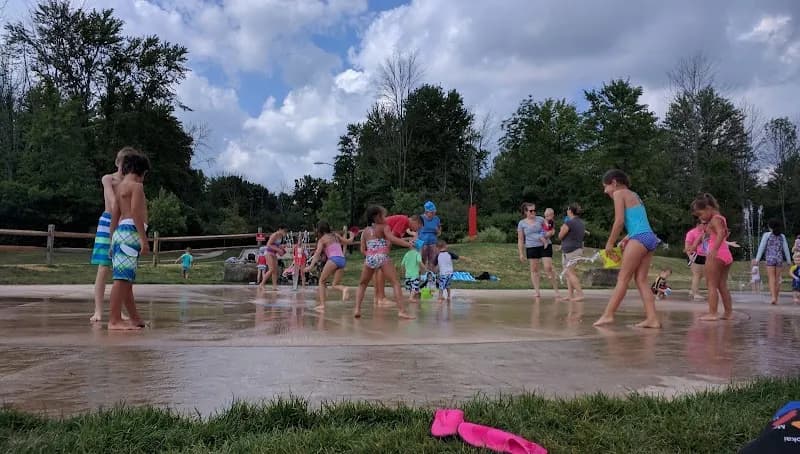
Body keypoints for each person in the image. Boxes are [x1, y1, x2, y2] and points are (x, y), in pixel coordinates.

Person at [593, 170, 661, 328]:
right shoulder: (634, 195)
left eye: (605, 186)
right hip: (649, 237)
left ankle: (608, 315)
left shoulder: (619, 193)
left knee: (623, 279)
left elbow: (619, 221)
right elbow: (639, 221)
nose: (605, 191)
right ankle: (652, 319)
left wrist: (610, 243)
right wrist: (626, 238)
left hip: (639, 238)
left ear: (614, 183)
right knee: (641, 280)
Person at [90, 147, 136, 323]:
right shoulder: (108, 179)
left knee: (121, 270)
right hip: (108, 222)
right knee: (104, 267)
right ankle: (98, 310)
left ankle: (118, 310)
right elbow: (112, 199)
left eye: (129, 164)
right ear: (117, 162)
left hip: (124, 223)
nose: (126, 167)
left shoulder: (131, 183)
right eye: (124, 163)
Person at [108, 150, 150, 330]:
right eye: (145, 174)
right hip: (131, 234)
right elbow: (135, 214)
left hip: (119, 234)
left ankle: (135, 318)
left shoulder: (120, 188)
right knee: (122, 281)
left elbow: (114, 216)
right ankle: (114, 320)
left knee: (126, 280)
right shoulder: (136, 187)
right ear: (140, 171)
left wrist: (111, 240)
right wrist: (144, 240)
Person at [353, 206, 415, 319]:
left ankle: (357, 309)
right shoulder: (384, 227)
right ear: (377, 217)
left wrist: (370, 255)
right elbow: (392, 239)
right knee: (395, 283)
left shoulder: (365, 231)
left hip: (370, 257)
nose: (385, 218)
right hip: (382, 257)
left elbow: (362, 249)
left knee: (362, 284)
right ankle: (401, 311)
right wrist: (408, 244)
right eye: (383, 215)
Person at [691, 193, 734, 321]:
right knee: (722, 285)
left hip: (716, 254)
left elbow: (720, 233)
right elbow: (710, 235)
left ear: (708, 208)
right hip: (726, 254)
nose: (700, 218)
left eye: (700, 214)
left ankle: (712, 313)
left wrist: (714, 249)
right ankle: (728, 313)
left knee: (711, 284)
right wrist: (695, 245)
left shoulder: (715, 219)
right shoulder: (720, 219)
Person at [306, 222, 354, 312]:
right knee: (335, 284)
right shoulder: (335, 235)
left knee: (321, 281)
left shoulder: (322, 240)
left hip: (333, 259)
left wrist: (310, 266)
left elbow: (317, 254)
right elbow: (348, 242)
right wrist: (352, 236)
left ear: (320, 230)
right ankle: (344, 289)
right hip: (342, 259)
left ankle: (322, 305)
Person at [375, 214, 422, 304]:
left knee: (378, 269)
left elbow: (395, 238)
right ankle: (381, 298)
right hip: (379, 238)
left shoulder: (404, 224)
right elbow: (391, 238)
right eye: (418, 227)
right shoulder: (404, 220)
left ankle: (377, 297)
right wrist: (408, 244)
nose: (417, 230)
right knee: (381, 268)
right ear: (415, 222)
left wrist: (408, 243)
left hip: (376, 237)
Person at [517, 203, 560, 300]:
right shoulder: (522, 223)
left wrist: (550, 233)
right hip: (531, 247)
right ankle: (537, 291)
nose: (533, 212)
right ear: (525, 212)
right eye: (531, 211)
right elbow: (520, 239)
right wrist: (521, 253)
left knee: (548, 267)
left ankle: (556, 291)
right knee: (534, 269)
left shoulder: (540, 219)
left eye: (534, 210)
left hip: (545, 246)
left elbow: (551, 228)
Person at [753, 219, 793, 305]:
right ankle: (776, 298)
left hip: (770, 258)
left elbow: (762, 247)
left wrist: (757, 259)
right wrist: (789, 261)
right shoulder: (782, 236)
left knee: (771, 278)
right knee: (777, 279)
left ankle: (773, 297)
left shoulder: (766, 235)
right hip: (779, 259)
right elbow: (786, 249)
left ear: (770, 227)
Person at [558, 203, 586, 302]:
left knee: (570, 273)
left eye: (567, 209)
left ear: (570, 211)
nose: (567, 211)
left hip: (570, 251)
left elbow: (560, 236)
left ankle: (580, 294)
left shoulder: (569, 223)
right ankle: (570, 295)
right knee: (568, 273)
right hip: (576, 249)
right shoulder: (581, 223)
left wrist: (561, 229)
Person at [258, 225, 289, 291]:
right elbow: (268, 244)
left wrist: (282, 247)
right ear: (280, 229)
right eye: (284, 231)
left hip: (274, 253)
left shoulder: (281, 236)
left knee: (275, 271)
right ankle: (261, 284)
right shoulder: (274, 235)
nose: (285, 233)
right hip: (268, 252)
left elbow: (276, 245)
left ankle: (274, 286)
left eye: (286, 231)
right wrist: (278, 250)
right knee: (271, 269)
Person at [684, 221, 708, 301]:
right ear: (698, 224)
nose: (706, 225)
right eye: (704, 224)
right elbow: (687, 246)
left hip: (704, 255)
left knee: (701, 275)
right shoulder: (691, 233)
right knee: (697, 275)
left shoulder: (706, 232)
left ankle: (692, 291)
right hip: (695, 255)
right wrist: (689, 255)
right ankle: (696, 294)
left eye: (707, 224)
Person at [419, 201, 442, 266]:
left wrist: (438, 231)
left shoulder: (436, 219)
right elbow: (415, 230)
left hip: (433, 242)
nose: (433, 214)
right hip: (422, 243)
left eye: (434, 212)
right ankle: (423, 271)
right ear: (426, 212)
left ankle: (431, 271)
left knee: (432, 260)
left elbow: (439, 232)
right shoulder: (420, 218)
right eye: (432, 212)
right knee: (422, 260)